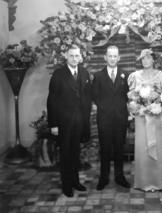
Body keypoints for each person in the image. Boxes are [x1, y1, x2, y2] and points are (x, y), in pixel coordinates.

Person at [47, 44, 92, 197]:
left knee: (76, 152)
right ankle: (67, 185)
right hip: (64, 122)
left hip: (80, 121)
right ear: (66, 56)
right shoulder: (58, 74)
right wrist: (53, 124)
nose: (74, 58)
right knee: (66, 154)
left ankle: (75, 181)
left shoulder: (84, 73)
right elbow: (52, 100)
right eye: (71, 55)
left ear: (80, 57)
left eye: (77, 55)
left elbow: (87, 97)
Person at [127, 49, 162, 192]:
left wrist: (159, 104)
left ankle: (159, 182)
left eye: (148, 58)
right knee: (142, 148)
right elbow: (132, 97)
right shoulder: (135, 76)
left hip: (156, 117)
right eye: (143, 59)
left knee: (157, 147)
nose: (145, 61)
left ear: (153, 60)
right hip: (142, 117)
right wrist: (137, 106)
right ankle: (143, 181)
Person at [92, 45, 130, 190]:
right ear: (105, 57)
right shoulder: (98, 76)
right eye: (110, 56)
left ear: (119, 58)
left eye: (115, 56)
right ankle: (104, 177)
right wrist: (104, 107)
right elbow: (95, 96)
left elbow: (129, 95)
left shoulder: (125, 75)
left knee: (120, 149)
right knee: (105, 149)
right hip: (104, 119)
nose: (112, 58)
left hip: (120, 118)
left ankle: (120, 177)